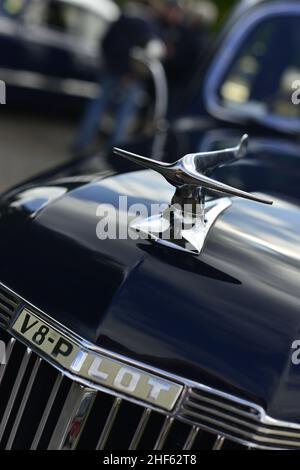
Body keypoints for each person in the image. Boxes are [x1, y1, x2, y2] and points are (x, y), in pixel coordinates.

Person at [73, 0, 161, 156]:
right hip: (131, 76)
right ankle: (115, 153)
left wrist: (109, 63)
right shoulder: (146, 26)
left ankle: (81, 142)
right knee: (124, 115)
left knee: (97, 107)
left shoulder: (122, 18)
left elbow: (105, 41)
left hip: (111, 70)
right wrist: (132, 72)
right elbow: (145, 55)